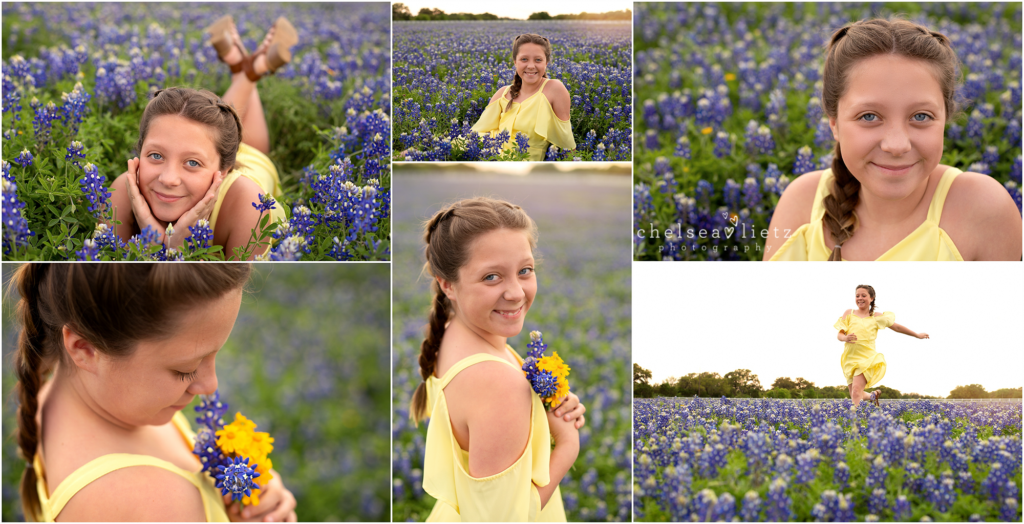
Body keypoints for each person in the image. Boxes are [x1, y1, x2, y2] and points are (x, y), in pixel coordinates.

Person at [12, 263, 297, 522]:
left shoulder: (57, 398)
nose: (211, 385)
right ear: (84, 349)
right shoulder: (154, 503)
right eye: (184, 369)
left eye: (214, 356)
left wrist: (240, 486)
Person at [766, 18, 1022, 261]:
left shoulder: (984, 210)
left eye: (921, 115)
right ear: (834, 123)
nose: (897, 145)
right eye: (869, 116)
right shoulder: (801, 204)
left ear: (946, 118)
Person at [409, 197, 586, 521]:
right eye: (492, 277)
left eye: (525, 270)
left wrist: (539, 413)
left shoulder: (452, 333)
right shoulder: (497, 382)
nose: (516, 292)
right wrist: (567, 444)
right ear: (448, 283)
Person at [109, 16, 296, 259]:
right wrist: (162, 243)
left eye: (192, 163)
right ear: (139, 151)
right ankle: (249, 70)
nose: (169, 179)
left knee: (240, 143)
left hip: (252, 167)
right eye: (156, 155)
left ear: (225, 170)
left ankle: (247, 69)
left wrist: (171, 250)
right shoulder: (123, 191)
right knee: (208, 129)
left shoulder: (250, 204)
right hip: (216, 150)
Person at [471, 34, 576, 161]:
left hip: (524, 165)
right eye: (524, 59)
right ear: (515, 61)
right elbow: (477, 132)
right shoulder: (503, 93)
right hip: (489, 155)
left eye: (538, 60)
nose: (531, 66)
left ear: (546, 62)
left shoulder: (554, 89)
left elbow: (567, 141)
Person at [834, 285, 929, 406]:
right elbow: (839, 335)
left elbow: (897, 327)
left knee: (856, 392)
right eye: (857, 295)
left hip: (867, 358)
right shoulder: (849, 313)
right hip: (849, 358)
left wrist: (916, 334)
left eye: (864, 295)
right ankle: (872, 396)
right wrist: (845, 338)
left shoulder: (876, 316)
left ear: (872, 298)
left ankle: (854, 421)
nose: (860, 298)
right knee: (855, 393)